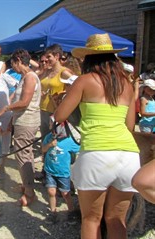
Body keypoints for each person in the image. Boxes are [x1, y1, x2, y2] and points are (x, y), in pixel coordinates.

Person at [54, 33, 140, 238]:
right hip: (128, 155)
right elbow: (129, 126)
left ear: (89, 58)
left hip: (96, 152)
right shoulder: (126, 85)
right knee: (116, 220)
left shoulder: (84, 81)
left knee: (91, 219)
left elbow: (60, 116)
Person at [0, 49, 41, 207]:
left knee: (22, 155)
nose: (12, 67)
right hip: (22, 120)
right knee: (26, 154)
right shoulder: (26, 77)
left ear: (18, 61)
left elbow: (24, 102)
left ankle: (29, 193)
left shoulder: (30, 77)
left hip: (26, 121)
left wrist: (6, 109)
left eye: (13, 63)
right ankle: (27, 184)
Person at [42, 116, 80, 225]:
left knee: (65, 193)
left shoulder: (68, 140)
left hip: (63, 173)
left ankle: (71, 211)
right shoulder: (48, 137)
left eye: (51, 123)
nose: (49, 125)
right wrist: (49, 145)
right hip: (50, 170)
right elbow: (43, 149)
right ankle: (53, 212)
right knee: (51, 191)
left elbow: (79, 148)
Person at [40, 44, 73, 140]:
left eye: (49, 56)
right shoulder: (47, 71)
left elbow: (76, 87)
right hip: (43, 109)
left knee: (56, 140)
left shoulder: (64, 72)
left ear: (57, 56)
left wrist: (62, 94)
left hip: (56, 112)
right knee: (45, 139)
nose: (47, 59)